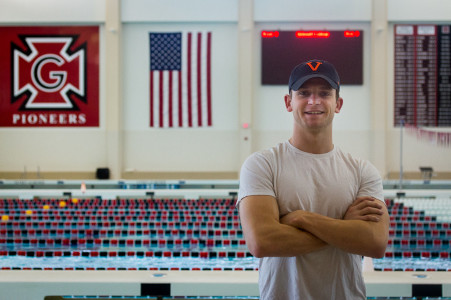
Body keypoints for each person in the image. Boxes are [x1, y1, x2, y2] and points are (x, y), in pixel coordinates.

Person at [237, 59, 389, 300]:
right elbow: (262, 242)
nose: (314, 101)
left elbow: (375, 243)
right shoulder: (262, 165)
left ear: (338, 104)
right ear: (289, 102)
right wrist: (344, 227)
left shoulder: (363, 171)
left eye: (324, 93)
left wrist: (300, 217)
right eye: (304, 93)